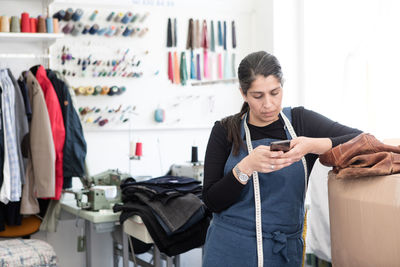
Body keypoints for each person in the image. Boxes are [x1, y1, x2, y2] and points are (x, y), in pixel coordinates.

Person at [202, 51, 362, 267]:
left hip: (282, 252)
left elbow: (361, 139)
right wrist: (245, 167)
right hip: (229, 249)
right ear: (243, 93)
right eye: (258, 96)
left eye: (274, 93)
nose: (268, 104)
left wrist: (311, 145)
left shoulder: (300, 122)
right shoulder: (224, 131)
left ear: (282, 87)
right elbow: (212, 202)